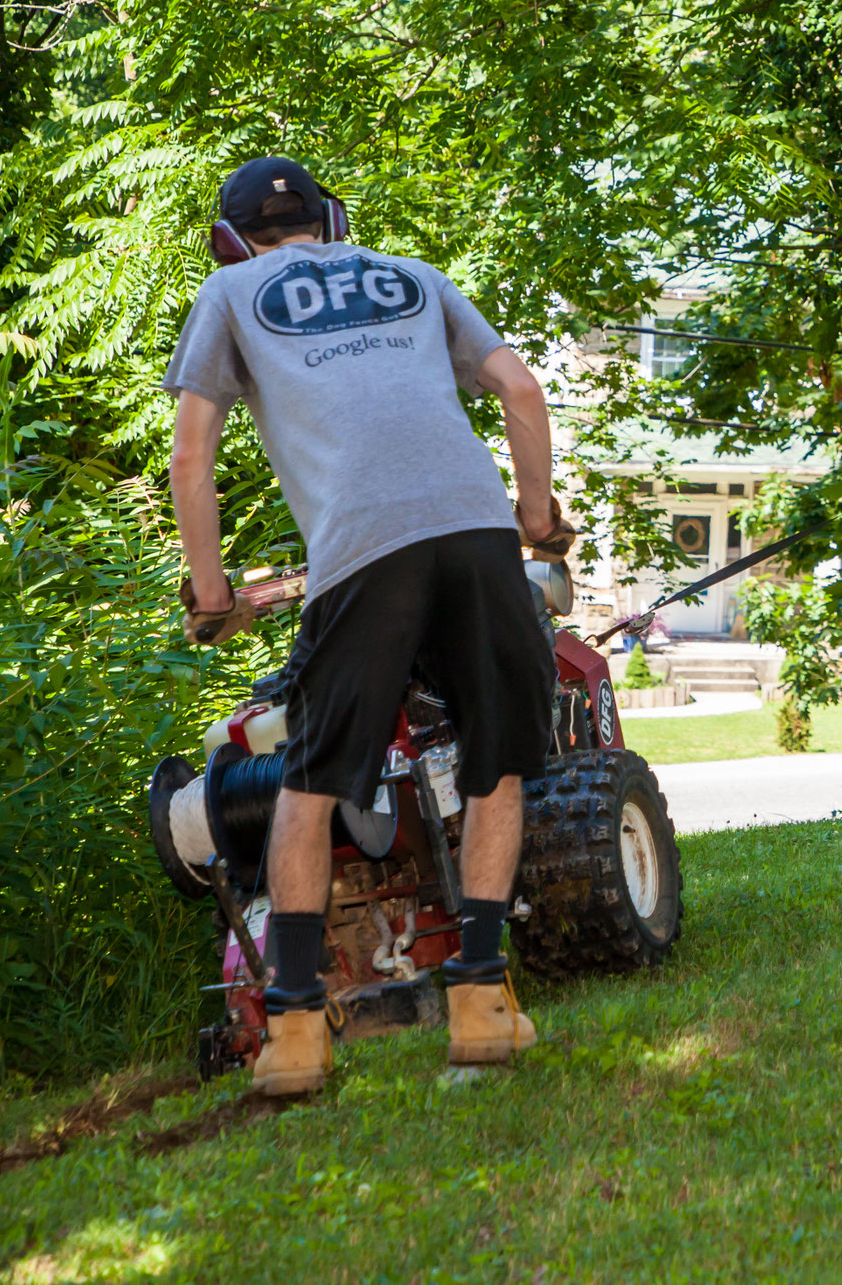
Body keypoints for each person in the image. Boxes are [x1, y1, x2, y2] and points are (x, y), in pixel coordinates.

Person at [165, 156, 558, 1094]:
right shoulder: (414, 276)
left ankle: (297, 1033)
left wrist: (212, 594)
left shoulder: (227, 293)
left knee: (310, 781)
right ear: (333, 222)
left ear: (230, 239)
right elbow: (523, 391)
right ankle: (482, 1004)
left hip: (359, 552)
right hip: (473, 530)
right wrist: (536, 519)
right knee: (494, 761)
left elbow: (191, 453)